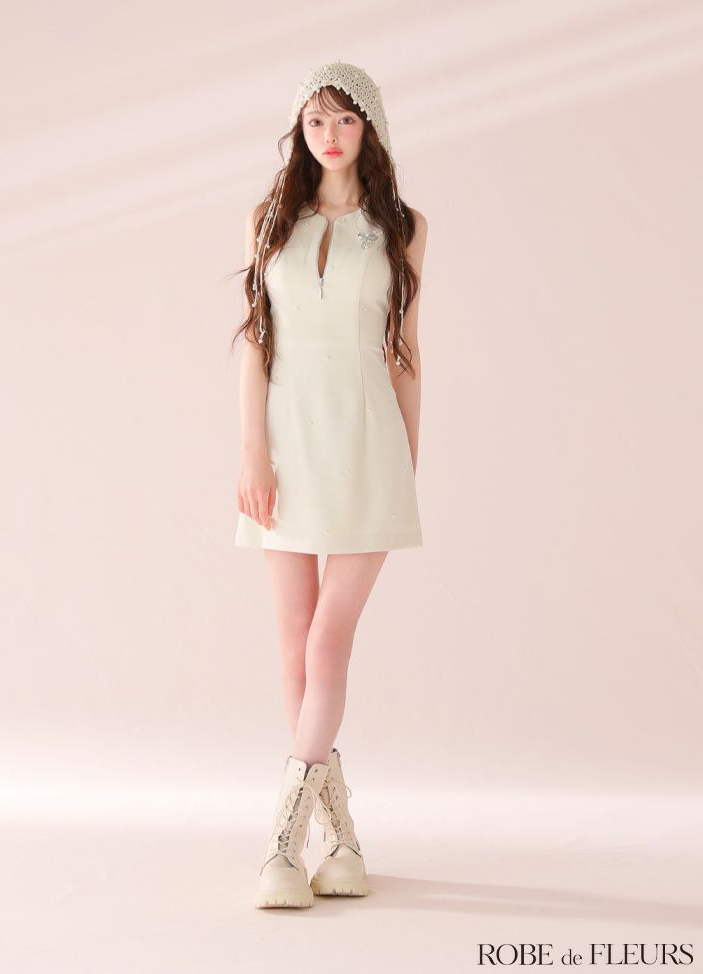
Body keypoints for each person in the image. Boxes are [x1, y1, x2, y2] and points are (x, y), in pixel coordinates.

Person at [230, 61, 428, 909]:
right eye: (315, 120)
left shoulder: (403, 227)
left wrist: (406, 461)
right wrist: (251, 452)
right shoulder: (268, 220)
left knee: (326, 642)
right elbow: (255, 342)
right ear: (300, 132)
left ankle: (281, 842)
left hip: (366, 439)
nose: (330, 135)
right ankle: (340, 842)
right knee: (291, 643)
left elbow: (404, 352)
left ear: (368, 127)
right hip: (284, 444)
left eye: (345, 119)